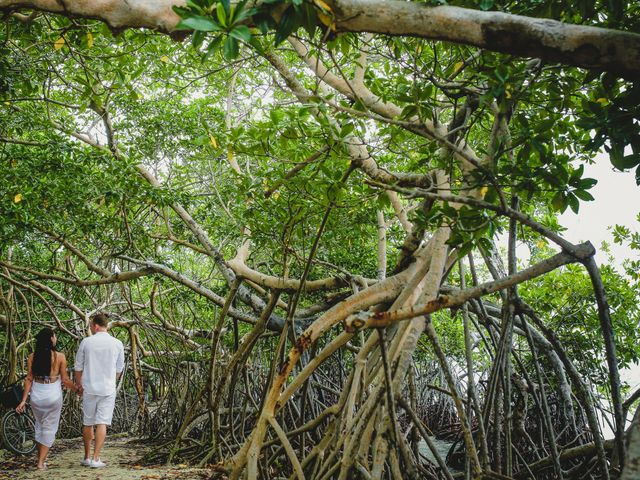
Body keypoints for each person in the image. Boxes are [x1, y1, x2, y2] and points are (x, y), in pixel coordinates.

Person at [15, 327, 79, 470]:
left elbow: (29, 379)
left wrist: (24, 400)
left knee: (39, 425)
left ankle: (41, 460)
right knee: (49, 428)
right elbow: (66, 380)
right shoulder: (60, 357)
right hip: (52, 396)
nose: (56, 338)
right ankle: (40, 463)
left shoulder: (32, 357)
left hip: (37, 396)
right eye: (54, 336)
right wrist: (77, 389)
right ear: (51, 339)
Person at [74, 312, 125, 468]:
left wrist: (79, 385)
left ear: (95, 325)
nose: (90, 327)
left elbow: (78, 367)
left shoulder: (86, 342)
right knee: (102, 422)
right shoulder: (117, 343)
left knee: (88, 422)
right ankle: (96, 459)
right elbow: (119, 369)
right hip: (107, 388)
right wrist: (112, 381)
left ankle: (87, 457)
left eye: (90, 325)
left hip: (89, 387)